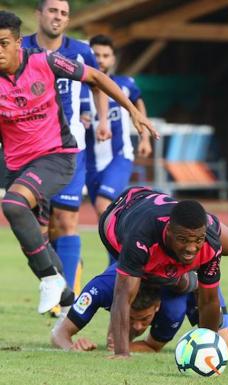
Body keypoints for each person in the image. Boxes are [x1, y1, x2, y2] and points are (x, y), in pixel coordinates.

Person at [0, 10, 157, 315]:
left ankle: (50, 279)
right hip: (17, 164)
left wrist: (133, 112)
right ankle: (64, 289)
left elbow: (97, 77)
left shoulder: (44, 61)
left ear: (18, 42)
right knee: (35, 236)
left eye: (3, 43)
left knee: (14, 205)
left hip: (56, 156)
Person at [22, 0, 111, 296]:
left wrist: (102, 121)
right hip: (29, 148)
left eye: (63, 13)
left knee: (67, 219)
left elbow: (98, 84)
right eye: (52, 11)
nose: (58, 17)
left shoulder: (80, 52)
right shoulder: (19, 47)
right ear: (39, 15)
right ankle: (58, 276)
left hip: (69, 147)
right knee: (42, 229)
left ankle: (67, 300)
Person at [98, 186, 228, 357]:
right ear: (169, 230)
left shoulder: (210, 243)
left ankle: (193, 278)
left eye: (198, 240)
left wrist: (208, 347)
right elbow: (122, 295)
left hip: (165, 209)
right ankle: (186, 280)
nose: (191, 248)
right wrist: (121, 353)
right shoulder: (140, 239)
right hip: (126, 207)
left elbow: (208, 301)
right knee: (152, 277)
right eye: (183, 239)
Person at [51, 263, 228, 355]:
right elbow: (59, 333)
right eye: (132, 318)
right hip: (148, 282)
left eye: (145, 319)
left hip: (197, 287)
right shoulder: (100, 288)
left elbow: (152, 345)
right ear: (120, 306)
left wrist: (125, 346)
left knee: (225, 348)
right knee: (116, 337)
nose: (139, 326)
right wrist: (72, 347)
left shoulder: (171, 307)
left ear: (157, 307)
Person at [84, 34, 152, 223]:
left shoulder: (124, 85)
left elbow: (138, 104)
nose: (100, 60)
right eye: (96, 55)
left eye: (106, 56)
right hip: (90, 162)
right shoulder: (79, 88)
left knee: (103, 205)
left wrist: (144, 138)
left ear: (113, 59)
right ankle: (120, 250)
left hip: (119, 156)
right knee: (107, 216)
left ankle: (125, 249)